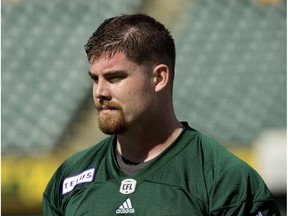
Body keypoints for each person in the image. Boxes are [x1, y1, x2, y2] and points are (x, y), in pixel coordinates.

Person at [43, 14, 280, 215]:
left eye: (115, 77)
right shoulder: (69, 177)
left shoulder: (226, 179)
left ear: (159, 78)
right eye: (95, 79)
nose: (100, 92)